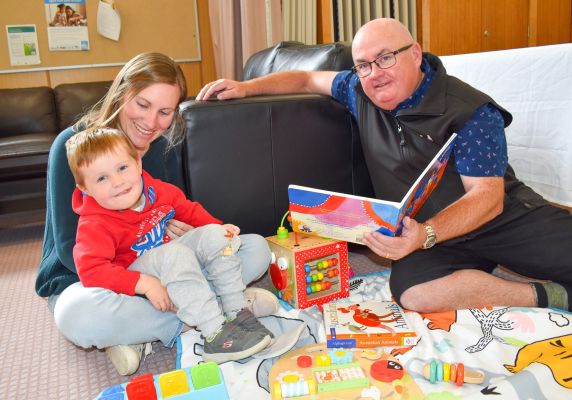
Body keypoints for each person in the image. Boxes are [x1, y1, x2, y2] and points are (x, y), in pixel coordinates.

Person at [197, 18, 572, 313]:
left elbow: (488, 197)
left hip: (496, 218)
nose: (375, 73)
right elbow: (308, 77)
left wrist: (425, 234)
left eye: (385, 58)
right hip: (425, 231)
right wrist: (247, 87)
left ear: (416, 53)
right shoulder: (358, 90)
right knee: (413, 294)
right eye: (363, 65)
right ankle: (544, 295)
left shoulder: (471, 110)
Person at [36, 52, 273, 375]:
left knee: (254, 248)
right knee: (76, 314)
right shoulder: (74, 147)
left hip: (167, 260)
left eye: (164, 112)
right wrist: (144, 281)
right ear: (122, 94)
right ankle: (214, 311)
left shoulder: (164, 145)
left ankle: (146, 329)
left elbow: (177, 209)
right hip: (92, 276)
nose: (151, 123)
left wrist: (197, 233)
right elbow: (69, 251)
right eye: (143, 105)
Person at [65, 127, 276, 365]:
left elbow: (190, 211)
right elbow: (91, 270)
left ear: (138, 163)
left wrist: (218, 229)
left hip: (182, 271)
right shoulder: (94, 223)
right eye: (102, 178)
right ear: (84, 188)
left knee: (245, 244)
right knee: (78, 311)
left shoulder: (158, 190)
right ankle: (215, 331)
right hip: (141, 286)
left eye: (122, 168)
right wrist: (144, 284)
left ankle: (237, 309)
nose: (118, 182)